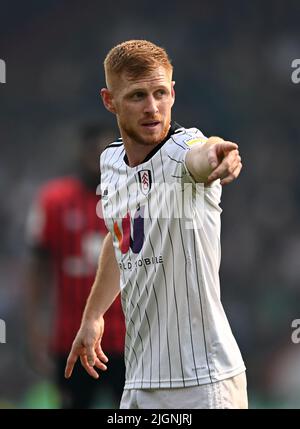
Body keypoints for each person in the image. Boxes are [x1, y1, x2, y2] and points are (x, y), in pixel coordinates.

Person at [65, 40, 247, 409]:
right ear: (109, 100)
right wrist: (93, 315)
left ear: (173, 93)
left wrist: (217, 155)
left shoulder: (183, 152)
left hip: (202, 383)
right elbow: (121, 237)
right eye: (136, 96)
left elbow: (203, 154)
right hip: (139, 381)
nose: (152, 107)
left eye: (160, 93)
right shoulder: (111, 162)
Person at [25, 123, 125, 409]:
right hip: (71, 337)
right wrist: (34, 327)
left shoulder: (131, 199)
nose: (98, 159)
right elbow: (36, 268)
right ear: (81, 152)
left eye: (105, 152)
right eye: (93, 150)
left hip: (128, 339)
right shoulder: (54, 201)